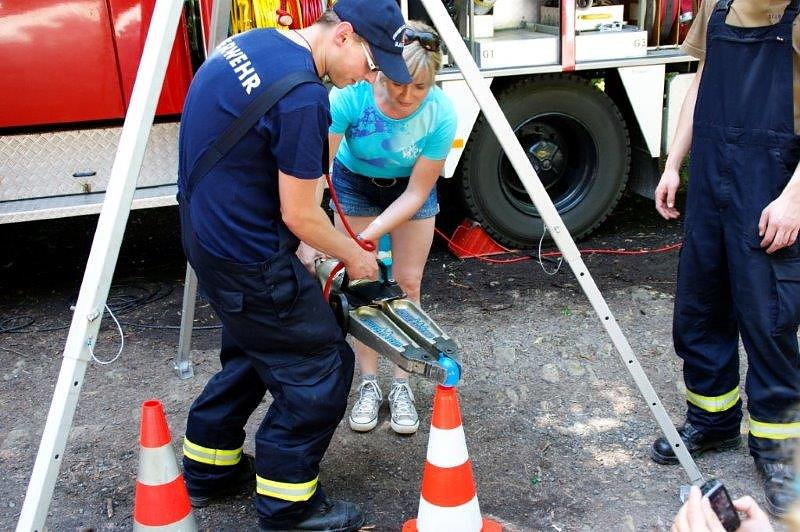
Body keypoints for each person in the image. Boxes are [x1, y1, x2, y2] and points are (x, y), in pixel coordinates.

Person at [175, 0, 411, 529]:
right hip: (249, 256)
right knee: (319, 367)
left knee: (253, 352)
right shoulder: (306, 99)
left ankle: (208, 470)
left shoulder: (253, 44)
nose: (368, 79)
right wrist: (356, 257)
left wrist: (302, 243)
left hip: (207, 236)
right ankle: (289, 506)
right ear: (344, 36)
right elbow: (301, 214)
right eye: (372, 66)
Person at [650, 0, 800, 517]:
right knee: (701, 305)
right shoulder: (718, 7)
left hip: (773, 182)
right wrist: (672, 164)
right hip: (713, 178)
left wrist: (794, 198)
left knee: (769, 316)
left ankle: (781, 453)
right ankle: (712, 421)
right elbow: (700, 83)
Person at [326, 20, 457, 435]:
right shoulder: (350, 93)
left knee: (406, 283)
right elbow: (319, 172)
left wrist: (370, 234)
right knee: (362, 283)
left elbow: (417, 193)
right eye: (398, 83)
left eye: (419, 87)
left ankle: (402, 382)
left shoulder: (441, 113)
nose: (406, 95)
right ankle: (368, 383)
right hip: (353, 182)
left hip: (408, 193)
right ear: (380, 68)